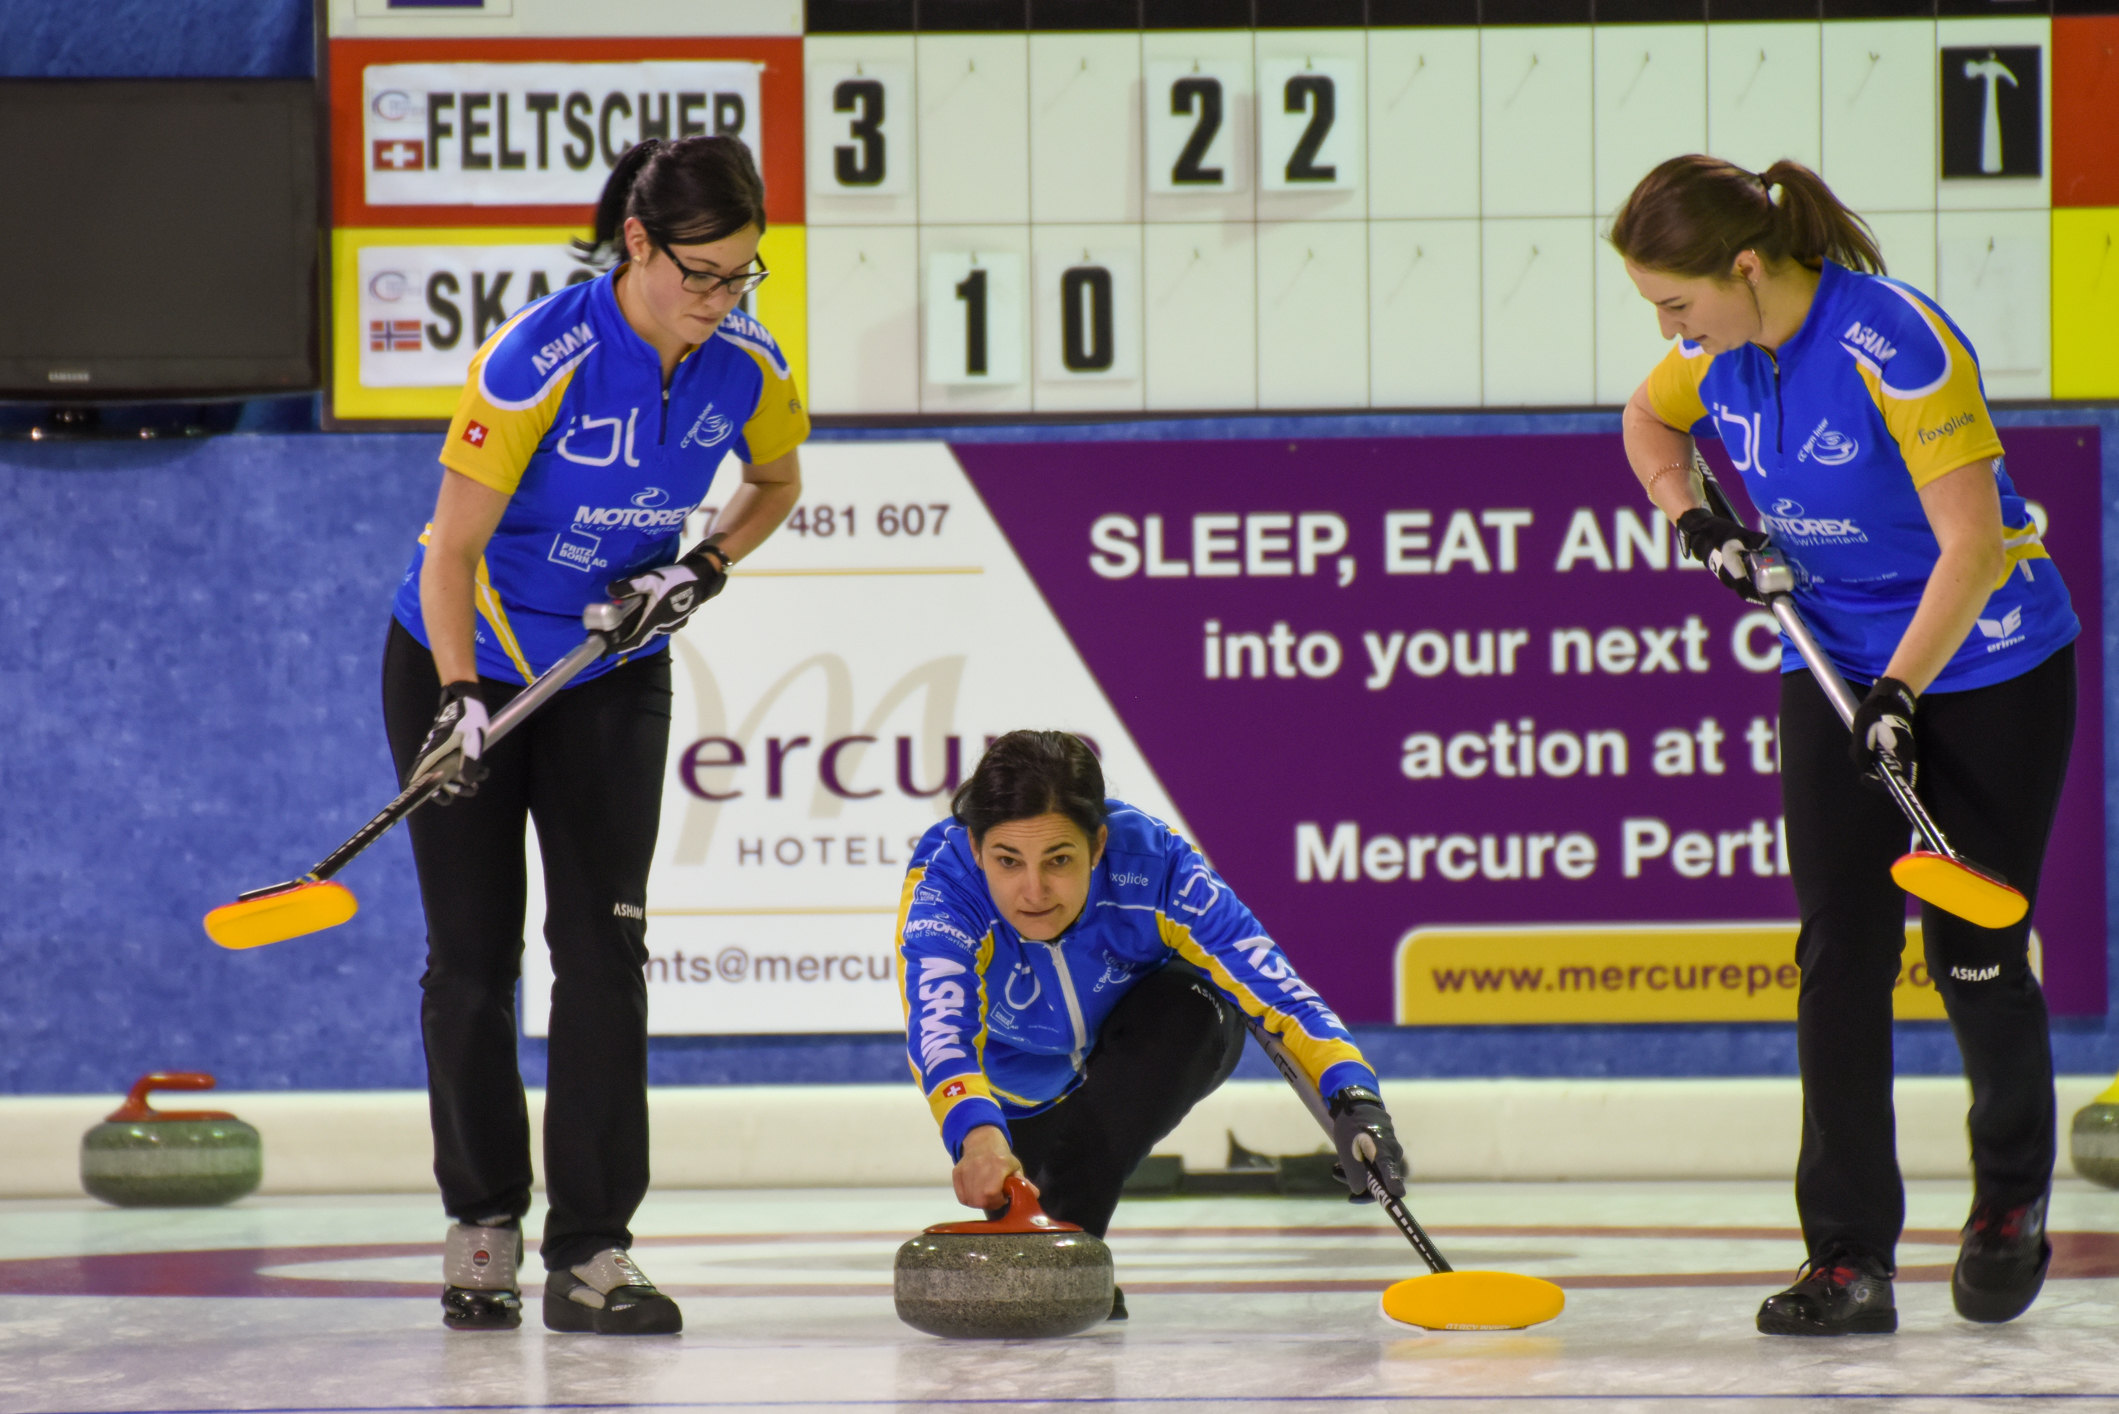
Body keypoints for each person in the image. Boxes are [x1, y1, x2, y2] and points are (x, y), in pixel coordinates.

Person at [1611, 155, 2077, 1335]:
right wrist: (1694, 518)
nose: (1668, 330)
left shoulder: (1894, 340)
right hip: (1830, 667)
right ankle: (1847, 1256)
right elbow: (1646, 421)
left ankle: (2008, 1200)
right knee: (1840, 955)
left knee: (1974, 950)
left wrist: (1902, 690)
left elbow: (1973, 545)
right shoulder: (1714, 355)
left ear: (1746, 266)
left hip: (1986, 662)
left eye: (1676, 303)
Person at [381, 135, 806, 1334]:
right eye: (699, 273)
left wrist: (701, 567)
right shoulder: (537, 358)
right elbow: (451, 553)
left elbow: (776, 484)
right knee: (473, 958)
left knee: (603, 946)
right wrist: (458, 697)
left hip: (611, 668)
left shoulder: (748, 364)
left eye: (740, 274)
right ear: (636, 242)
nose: (719, 299)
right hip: (466, 660)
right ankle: (481, 1220)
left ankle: (593, 1249)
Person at [896, 730, 1408, 1318]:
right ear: (975, 847)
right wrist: (977, 1136)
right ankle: (1059, 1240)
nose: (1033, 892)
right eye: (1007, 861)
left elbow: (1280, 994)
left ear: (1098, 843)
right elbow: (941, 1031)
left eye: (1059, 859)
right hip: (1015, 1092)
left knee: (1197, 1004)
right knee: (1028, 1202)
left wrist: (1357, 1099)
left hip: (1138, 1052)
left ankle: (1067, 1251)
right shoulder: (945, 886)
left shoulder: (1157, 865)